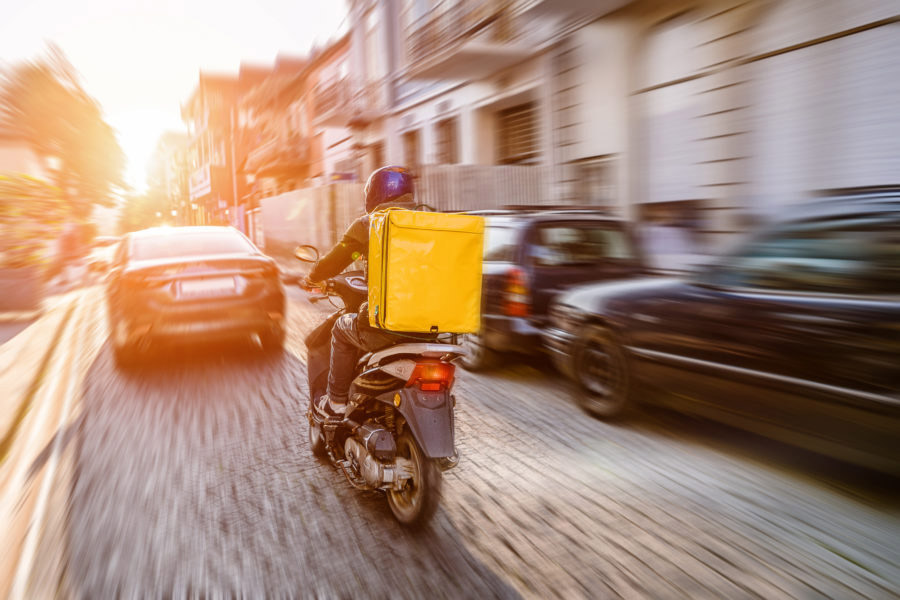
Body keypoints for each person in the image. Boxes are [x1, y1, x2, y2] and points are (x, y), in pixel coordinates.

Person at [303, 166, 415, 418]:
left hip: (387, 327)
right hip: (436, 330)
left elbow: (337, 260)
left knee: (341, 329)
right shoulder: (433, 223)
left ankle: (336, 402)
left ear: (374, 194)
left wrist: (312, 276)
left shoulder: (370, 224)